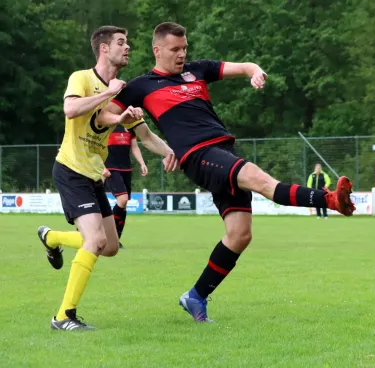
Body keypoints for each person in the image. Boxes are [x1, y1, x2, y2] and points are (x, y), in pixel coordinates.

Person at [97, 22, 355, 323]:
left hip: (223, 153)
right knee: (262, 181)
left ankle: (195, 296)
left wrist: (255, 72)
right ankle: (331, 200)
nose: (182, 54)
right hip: (198, 156)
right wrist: (124, 115)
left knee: (240, 235)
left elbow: (245, 66)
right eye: (174, 49)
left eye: (184, 48)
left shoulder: (198, 70)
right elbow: (103, 113)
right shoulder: (141, 86)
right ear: (157, 50)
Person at [36, 26, 177, 331]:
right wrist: (112, 95)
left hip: (93, 175)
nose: (127, 48)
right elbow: (71, 109)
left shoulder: (122, 94)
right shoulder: (82, 78)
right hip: (71, 170)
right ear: (103, 48)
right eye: (121, 43)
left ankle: (52, 238)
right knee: (95, 240)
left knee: (109, 246)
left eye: (127, 43)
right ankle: (63, 316)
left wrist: (174, 152)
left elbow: (146, 135)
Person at [104, 125, 148, 248]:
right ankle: (108, 234)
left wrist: (142, 163)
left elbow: (134, 147)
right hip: (111, 168)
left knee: (123, 205)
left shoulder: (129, 126)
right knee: (122, 200)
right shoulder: (107, 125)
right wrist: (101, 166)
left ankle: (116, 240)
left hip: (126, 169)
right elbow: (98, 147)